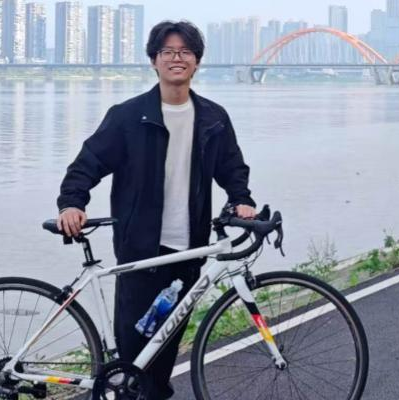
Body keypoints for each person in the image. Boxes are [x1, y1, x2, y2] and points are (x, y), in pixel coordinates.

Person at [56, 20, 256, 399]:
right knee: (134, 357)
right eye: (168, 52)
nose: (177, 58)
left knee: (161, 358)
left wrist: (241, 199)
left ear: (197, 61)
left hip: (188, 253)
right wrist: (72, 203)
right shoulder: (128, 116)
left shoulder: (213, 118)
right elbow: (88, 163)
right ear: (154, 60)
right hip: (140, 251)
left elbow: (232, 168)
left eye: (185, 52)